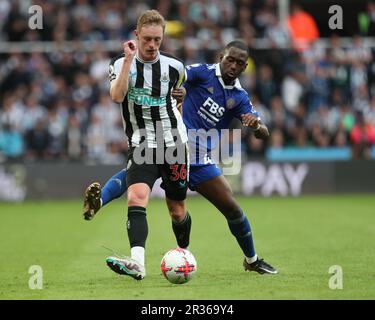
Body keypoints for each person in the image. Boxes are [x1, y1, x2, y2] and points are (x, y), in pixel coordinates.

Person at [84, 39, 278, 276]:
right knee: (136, 176)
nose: (234, 66)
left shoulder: (239, 97)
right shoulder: (201, 72)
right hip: (172, 145)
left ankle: (251, 260)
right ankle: (99, 202)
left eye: (240, 63)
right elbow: (175, 78)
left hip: (198, 160)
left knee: (228, 210)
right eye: (230, 59)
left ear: (245, 67)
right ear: (221, 57)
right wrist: (180, 90)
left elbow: (263, 133)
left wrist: (256, 125)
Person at [100, 10, 191, 281]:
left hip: (173, 142)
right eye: (147, 39)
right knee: (136, 196)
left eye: (158, 40)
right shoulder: (119, 64)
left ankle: (184, 253)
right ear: (136, 36)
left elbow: (179, 95)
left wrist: (182, 96)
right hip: (141, 142)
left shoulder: (175, 67)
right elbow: (117, 96)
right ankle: (137, 262)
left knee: (177, 209)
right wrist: (129, 60)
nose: (152, 46)